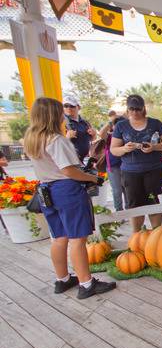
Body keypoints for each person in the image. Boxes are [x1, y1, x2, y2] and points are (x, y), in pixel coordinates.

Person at [24, 97, 116, 299]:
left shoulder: (32, 140)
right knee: (77, 238)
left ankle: (63, 279)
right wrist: (92, 178)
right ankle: (86, 283)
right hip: (66, 190)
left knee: (59, 237)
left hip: (46, 190)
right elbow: (69, 171)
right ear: (52, 115)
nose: (63, 115)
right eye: (60, 111)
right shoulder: (56, 140)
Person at [110, 95, 162, 232]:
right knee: (135, 205)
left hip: (155, 169)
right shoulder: (121, 126)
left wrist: (154, 147)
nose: (135, 112)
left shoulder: (155, 123)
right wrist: (125, 148)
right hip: (130, 172)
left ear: (143, 108)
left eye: (138, 109)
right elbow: (113, 150)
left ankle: (157, 233)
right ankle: (137, 236)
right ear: (127, 109)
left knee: (154, 202)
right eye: (131, 109)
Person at [99, 112, 124, 211]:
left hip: (127, 165)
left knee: (127, 190)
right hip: (113, 166)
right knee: (117, 190)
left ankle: (130, 211)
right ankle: (119, 212)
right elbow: (101, 134)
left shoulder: (127, 135)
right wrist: (111, 122)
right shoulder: (110, 136)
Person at [63, 94, 97, 162]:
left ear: (78, 107)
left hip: (86, 160)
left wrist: (94, 135)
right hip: (71, 160)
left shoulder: (85, 122)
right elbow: (57, 145)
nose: (68, 108)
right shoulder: (61, 123)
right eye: (66, 106)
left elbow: (92, 139)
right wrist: (67, 138)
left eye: (72, 106)